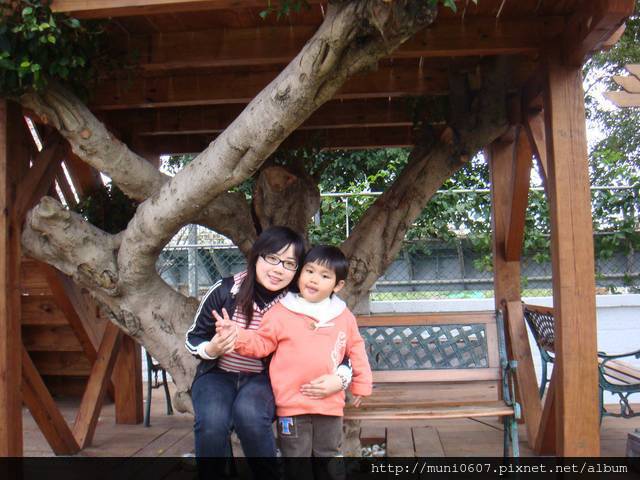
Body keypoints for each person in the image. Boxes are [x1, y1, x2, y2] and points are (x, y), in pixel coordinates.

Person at [184, 227, 350, 477]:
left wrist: (341, 378)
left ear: (296, 270)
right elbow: (193, 337)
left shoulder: (298, 302)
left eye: (289, 263)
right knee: (212, 422)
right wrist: (212, 348)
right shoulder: (226, 290)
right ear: (257, 256)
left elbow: (339, 345)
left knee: (250, 415)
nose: (278, 269)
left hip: (265, 378)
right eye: (272, 258)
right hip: (217, 374)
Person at [216, 245, 372, 461]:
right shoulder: (281, 312)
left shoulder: (343, 316)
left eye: (324, 276)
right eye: (309, 271)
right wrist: (236, 335)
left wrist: (361, 384)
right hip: (291, 405)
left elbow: (356, 349)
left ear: (338, 285)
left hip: (329, 403)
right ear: (300, 274)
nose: (314, 280)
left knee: (329, 455)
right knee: (295, 457)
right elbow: (261, 343)